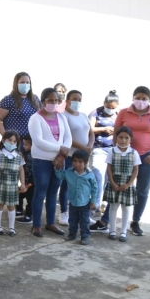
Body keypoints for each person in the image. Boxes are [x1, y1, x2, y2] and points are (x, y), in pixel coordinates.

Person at [114, 86, 150, 237]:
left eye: (144, 98)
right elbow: (116, 135)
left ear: (149, 100)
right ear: (132, 97)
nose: (141, 101)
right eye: (138, 97)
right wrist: (119, 153)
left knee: (142, 190)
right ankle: (108, 219)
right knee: (119, 186)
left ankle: (135, 222)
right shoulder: (124, 112)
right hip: (126, 156)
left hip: (148, 158)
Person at [28, 87, 72, 238]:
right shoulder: (36, 118)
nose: (53, 103)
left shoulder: (61, 117)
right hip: (42, 161)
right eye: (50, 100)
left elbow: (68, 138)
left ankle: (51, 222)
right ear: (43, 102)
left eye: (56, 101)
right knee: (40, 192)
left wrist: (61, 155)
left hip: (59, 160)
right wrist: (60, 148)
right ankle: (36, 225)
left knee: (53, 193)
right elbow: (39, 142)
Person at [58, 90, 94, 226]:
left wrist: (89, 146)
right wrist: (84, 148)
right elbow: (67, 137)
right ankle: (63, 212)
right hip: (70, 156)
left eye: (79, 99)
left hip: (84, 157)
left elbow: (91, 133)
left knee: (84, 185)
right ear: (67, 101)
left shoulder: (84, 116)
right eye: (74, 99)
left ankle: (83, 213)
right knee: (67, 184)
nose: (77, 102)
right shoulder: (63, 116)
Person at [88, 90, 120, 233]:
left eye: (113, 108)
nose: (110, 110)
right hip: (98, 149)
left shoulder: (120, 115)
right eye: (108, 106)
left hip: (113, 151)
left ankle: (103, 216)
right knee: (98, 178)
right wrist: (104, 129)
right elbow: (89, 129)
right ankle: (92, 208)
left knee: (110, 182)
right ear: (104, 103)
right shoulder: (96, 113)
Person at [103, 126, 140, 242]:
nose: (123, 140)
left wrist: (128, 184)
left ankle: (123, 231)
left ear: (131, 140)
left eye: (126, 138)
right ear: (116, 138)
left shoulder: (134, 153)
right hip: (114, 183)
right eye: (120, 137)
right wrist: (112, 183)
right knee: (113, 207)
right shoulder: (112, 151)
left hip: (127, 184)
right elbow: (109, 168)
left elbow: (135, 170)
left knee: (126, 208)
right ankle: (112, 230)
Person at [55, 149, 97, 245]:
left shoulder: (89, 175)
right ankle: (72, 234)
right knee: (72, 220)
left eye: (80, 162)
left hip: (85, 203)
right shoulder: (69, 172)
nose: (77, 164)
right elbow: (60, 175)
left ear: (86, 163)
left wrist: (93, 201)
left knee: (85, 221)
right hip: (73, 202)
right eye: (74, 161)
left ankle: (85, 236)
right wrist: (57, 167)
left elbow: (95, 188)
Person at [0, 130, 26, 237]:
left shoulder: (18, 155)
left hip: (13, 185)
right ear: (4, 140)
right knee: (0, 204)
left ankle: (12, 227)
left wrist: (22, 183)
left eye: (15, 141)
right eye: (10, 140)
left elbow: (21, 169)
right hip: (1, 183)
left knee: (11, 206)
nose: (12, 143)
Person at [0, 72, 40, 138]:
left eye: (27, 82)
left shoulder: (35, 99)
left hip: (33, 140)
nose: (25, 84)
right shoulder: (8, 100)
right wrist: (5, 136)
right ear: (16, 84)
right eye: (22, 82)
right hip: (16, 141)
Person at [16, 134, 35, 223]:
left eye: (25, 144)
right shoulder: (27, 154)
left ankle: (28, 216)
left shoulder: (31, 156)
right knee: (19, 194)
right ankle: (19, 210)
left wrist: (26, 183)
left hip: (30, 183)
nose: (23, 146)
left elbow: (28, 170)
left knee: (30, 199)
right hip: (27, 182)